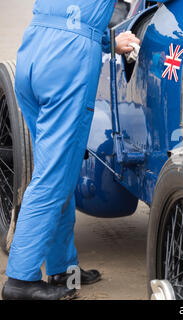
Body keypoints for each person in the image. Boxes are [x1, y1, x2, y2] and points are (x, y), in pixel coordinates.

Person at [1, 0, 140, 300]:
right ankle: (20, 281)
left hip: (34, 49)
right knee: (54, 176)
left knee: (58, 168)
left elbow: (72, 12)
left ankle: (63, 269)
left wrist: (108, 42)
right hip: (67, 62)